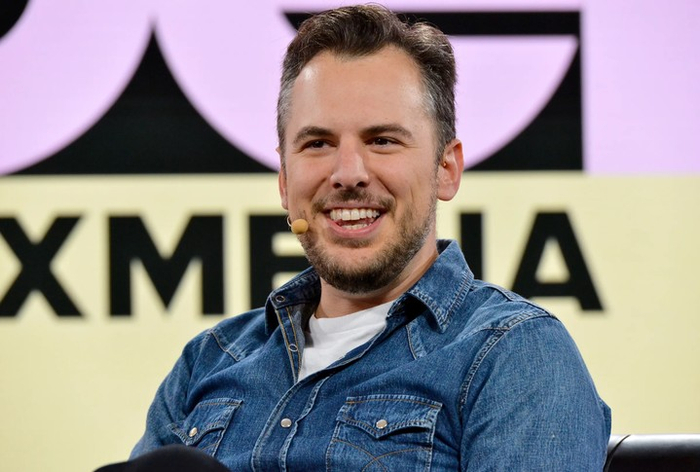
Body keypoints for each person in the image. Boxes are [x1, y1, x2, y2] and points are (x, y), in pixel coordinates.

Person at [128, 4, 611, 470]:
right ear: (284, 181)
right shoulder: (210, 360)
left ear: (446, 169)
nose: (348, 173)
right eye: (318, 143)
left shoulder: (513, 353)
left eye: (382, 140)